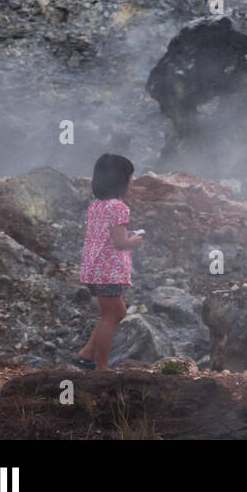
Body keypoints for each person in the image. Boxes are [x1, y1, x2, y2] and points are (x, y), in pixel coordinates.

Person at [76, 153, 143, 370]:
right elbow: (119, 242)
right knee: (109, 316)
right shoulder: (119, 207)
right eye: (130, 179)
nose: (131, 184)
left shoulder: (96, 205)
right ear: (121, 181)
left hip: (93, 268)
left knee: (118, 312)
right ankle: (101, 365)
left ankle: (87, 352)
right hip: (108, 271)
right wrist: (135, 241)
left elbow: (104, 235)